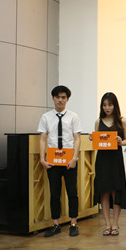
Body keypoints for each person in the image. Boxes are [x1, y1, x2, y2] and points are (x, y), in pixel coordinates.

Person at [38, 85, 83, 237]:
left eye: (63, 97)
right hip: (52, 161)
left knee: (72, 192)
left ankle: (73, 223)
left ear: (67, 99)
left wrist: (75, 158)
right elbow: (43, 139)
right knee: (54, 193)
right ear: (53, 98)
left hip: (69, 160)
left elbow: (77, 138)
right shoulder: (46, 117)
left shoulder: (73, 116)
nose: (60, 100)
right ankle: (55, 224)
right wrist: (42, 159)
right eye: (57, 97)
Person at [92, 92, 126, 236]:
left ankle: (115, 224)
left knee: (116, 191)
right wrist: (92, 138)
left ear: (115, 105)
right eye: (104, 105)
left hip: (116, 159)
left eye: (110, 105)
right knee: (104, 192)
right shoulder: (98, 121)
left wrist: (121, 142)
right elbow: (97, 139)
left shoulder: (122, 121)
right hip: (102, 160)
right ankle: (107, 224)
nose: (107, 108)